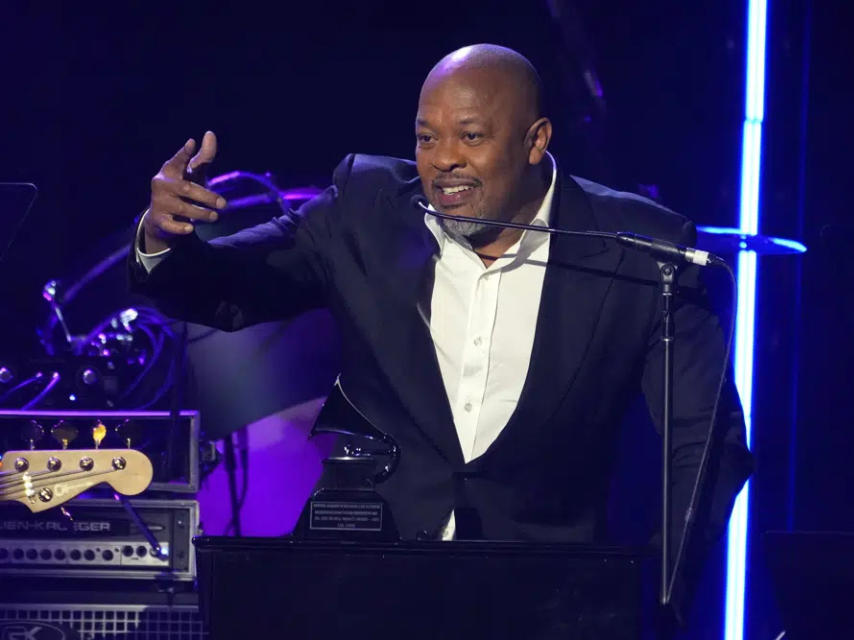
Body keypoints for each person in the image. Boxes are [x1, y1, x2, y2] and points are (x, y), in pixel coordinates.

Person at [131, 43, 752, 612]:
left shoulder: (642, 250)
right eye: (427, 138)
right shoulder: (364, 211)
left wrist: (652, 599)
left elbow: (707, 445)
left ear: (536, 141)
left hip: (548, 604)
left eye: (471, 136)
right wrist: (163, 239)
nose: (444, 161)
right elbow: (227, 289)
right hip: (365, 593)